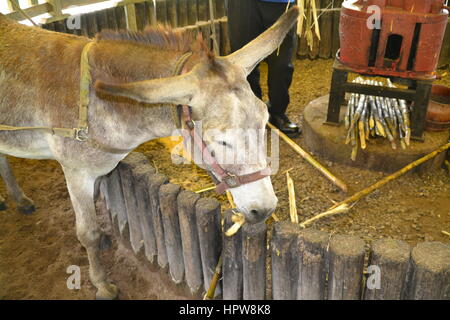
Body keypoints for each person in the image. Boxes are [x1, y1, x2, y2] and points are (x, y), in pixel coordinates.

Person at [227, 0, 301, 138]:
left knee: (282, 63)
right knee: (244, 59)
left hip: (281, 3)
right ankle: (251, 113)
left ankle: (277, 112)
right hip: (242, 5)